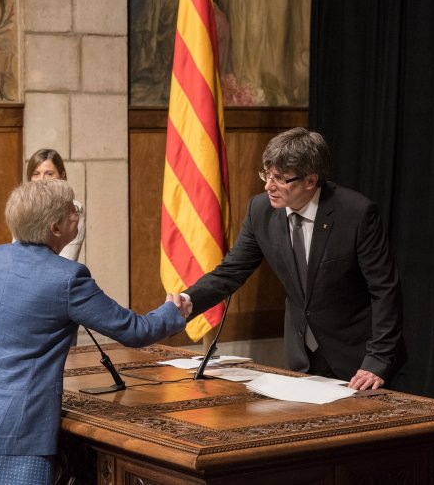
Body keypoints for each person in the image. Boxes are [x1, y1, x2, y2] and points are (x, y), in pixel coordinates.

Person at [0, 180, 190, 485]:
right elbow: (133, 331)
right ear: (55, 228)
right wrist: (171, 313)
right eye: (72, 208)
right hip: (18, 431)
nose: (78, 212)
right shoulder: (68, 277)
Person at [172, 127, 404, 390]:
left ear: (310, 180)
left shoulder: (356, 213)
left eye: (280, 179)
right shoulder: (260, 210)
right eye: (267, 174)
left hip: (358, 359)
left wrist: (377, 360)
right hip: (303, 357)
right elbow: (230, 271)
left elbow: (384, 289)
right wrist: (188, 301)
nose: (268, 186)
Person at [26, 148, 85, 261]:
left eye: (49, 174)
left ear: (61, 176)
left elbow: (67, 258)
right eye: (36, 174)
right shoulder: (24, 208)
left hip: (56, 270)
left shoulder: (73, 209)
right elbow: (17, 252)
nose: (42, 180)